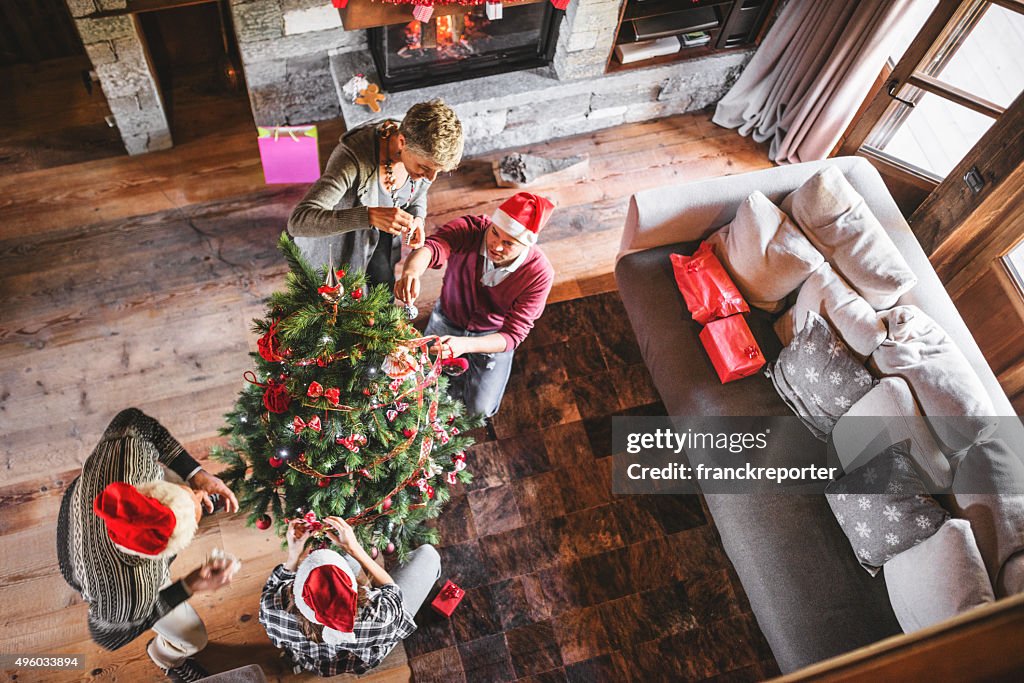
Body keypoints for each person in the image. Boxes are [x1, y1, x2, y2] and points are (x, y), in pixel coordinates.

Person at [56, 408, 240, 682]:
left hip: (84, 499)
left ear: (148, 490)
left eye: (189, 493)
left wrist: (195, 474)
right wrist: (187, 586)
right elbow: (108, 636)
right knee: (194, 637)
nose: (200, 493)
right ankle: (166, 657)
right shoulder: (130, 592)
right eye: (198, 505)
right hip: (87, 565)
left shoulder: (128, 458)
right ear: (168, 550)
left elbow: (135, 420)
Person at [394, 191, 556, 417]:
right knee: (417, 385)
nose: (496, 246)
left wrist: (465, 345)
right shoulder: (473, 229)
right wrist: (411, 271)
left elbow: (513, 336)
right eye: (495, 233)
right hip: (449, 316)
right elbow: (434, 246)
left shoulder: (539, 274)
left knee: (480, 409)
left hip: (492, 334)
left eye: (508, 243)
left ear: (526, 245)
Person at [287, 99, 464, 289]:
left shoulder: (420, 149)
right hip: (343, 244)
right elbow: (298, 222)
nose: (430, 178)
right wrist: (369, 216)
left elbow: (417, 192)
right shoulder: (351, 159)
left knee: (383, 288)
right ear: (402, 142)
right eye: (424, 168)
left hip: (382, 241)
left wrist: (418, 218)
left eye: (439, 172)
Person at [259, 516, 441, 676]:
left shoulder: (272, 610)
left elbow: (275, 582)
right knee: (429, 555)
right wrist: (356, 550)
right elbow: (392, 593)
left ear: (295, 587)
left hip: (315, 662)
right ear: (352, 588)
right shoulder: (379, 618)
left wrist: (293, 555)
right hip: (365, 653)